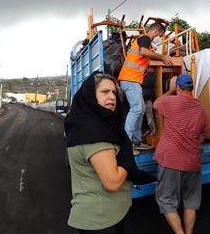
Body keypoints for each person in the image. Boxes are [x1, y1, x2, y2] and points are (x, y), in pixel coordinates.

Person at [64, 72, 154, 233]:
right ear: (90, 96)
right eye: (104, 92)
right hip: (101, 221)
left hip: (107, 216)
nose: (112, 97)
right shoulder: (94, 133)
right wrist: (127, 158)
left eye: (114, 92)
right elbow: (112, 182)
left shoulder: (87, 124)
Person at [153, 74, 210, 234]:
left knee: (167, 201)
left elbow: (155, 104)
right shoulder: (201, 109)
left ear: (178, 87)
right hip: (192, 162)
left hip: (170, 160)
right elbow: (202, 136)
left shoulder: (170, 101)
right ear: (191, 89)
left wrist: (170, 90)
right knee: (191, 202)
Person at [118, 23, 173, 152]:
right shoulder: (145, 39)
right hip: (130, 78)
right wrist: (162, 57)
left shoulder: (145, 42)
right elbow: (143, 51)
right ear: (157, 31)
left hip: (132, 79)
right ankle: (126, 143)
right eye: (160, 35)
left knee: (141, 109)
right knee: (137, 109)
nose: (158, 37)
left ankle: (136, 141)